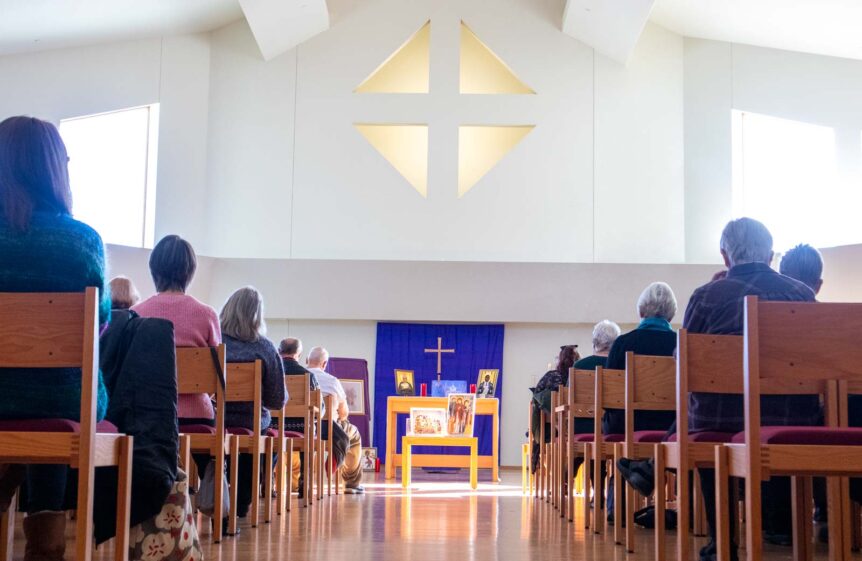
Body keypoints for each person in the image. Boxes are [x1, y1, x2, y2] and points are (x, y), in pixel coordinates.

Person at [618, 219, 818, 561]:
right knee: (709, 416)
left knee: (704, 420)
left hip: (721, 418)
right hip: (790, 414)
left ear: (725, 257)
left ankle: (722, 542)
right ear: (770, 255)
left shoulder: (707, 295)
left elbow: (684, 362)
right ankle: (785, 528)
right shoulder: (802, 295)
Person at [0, 115, 111, 560]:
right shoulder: (82, 242)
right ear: (55, 170)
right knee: (60, 393)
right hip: (63, 401)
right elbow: (99, 328)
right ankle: (45, 542)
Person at [603, 282, 678, 523]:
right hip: (672, 425)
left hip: (628, 424)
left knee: (613, 421)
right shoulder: (681, 343)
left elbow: (610, 398)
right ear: (671, 313)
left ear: (641, 311)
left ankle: (618, 507)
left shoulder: (623, 343)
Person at [132, 235, 221, 426]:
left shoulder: (135, 314)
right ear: (190, 272)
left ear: (154, 270)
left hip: (147, 413)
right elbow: (214, 377)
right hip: (197, 416)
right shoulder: (207, 315)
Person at [220, 286, 287, 518]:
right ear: (258, 314)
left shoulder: (214, 342)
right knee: (271, 441)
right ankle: (243, 495)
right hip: (252, 422)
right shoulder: (265, 348)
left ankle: (220, 486)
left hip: (217, 420)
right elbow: (277, 400)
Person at [306, 347, 365, 494]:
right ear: (324, 364)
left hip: (300, 428)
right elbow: (344, 413)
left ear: (307, 361)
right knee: (354, 435)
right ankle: (351, 483)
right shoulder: (332, 381)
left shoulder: (296, 378)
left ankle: (295, 483)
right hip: (327, 428)